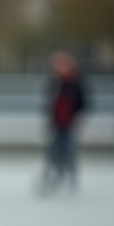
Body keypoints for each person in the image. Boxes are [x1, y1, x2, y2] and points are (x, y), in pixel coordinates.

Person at [39, 51, 87, 194]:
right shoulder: (53, 82)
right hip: (55, 121)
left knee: (69, 149)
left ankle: (71, 175)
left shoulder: (76, 81)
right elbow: (48, 101)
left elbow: (82, 102)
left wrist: (77, 116)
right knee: (53, 149)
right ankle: (52, 175)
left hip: (70, 121)